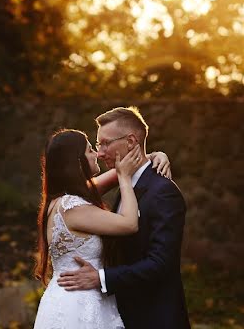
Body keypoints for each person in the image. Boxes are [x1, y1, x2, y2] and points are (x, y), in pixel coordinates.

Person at [57, 106, 191, 329]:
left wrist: (101, 278)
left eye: (106, 143)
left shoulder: (163, 192)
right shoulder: (125, 184)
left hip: (155, 318)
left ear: (130, 142)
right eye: (98, 145)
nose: (100, 152)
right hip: (122, 315)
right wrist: (153, 154)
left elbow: (161, 264)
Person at [32, 128, 172, 328]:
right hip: (78, 306)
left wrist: (154, 156)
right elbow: (129, 223)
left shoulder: (63, 200)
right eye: (90, 150)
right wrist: (125, 179)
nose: (97, 154)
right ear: (78, 160)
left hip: (78, 299)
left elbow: (119, 172)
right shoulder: (72, 207)